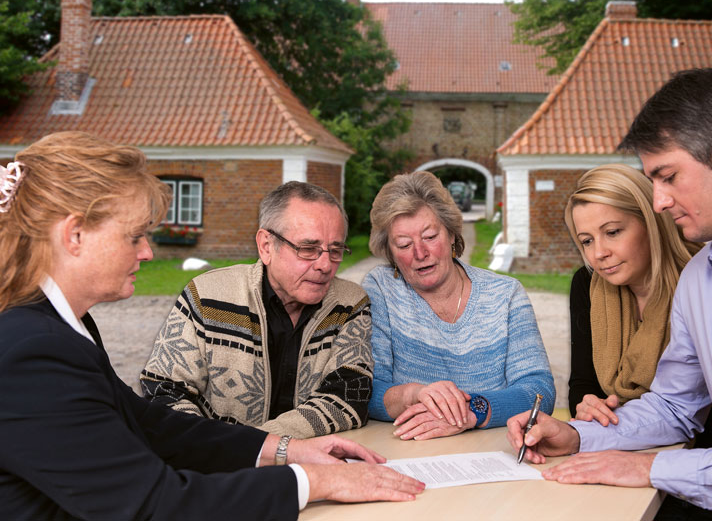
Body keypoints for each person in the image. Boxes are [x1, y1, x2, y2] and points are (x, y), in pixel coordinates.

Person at [0, 131, 424, 520]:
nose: (147, 252)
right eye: (134, 236)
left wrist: (282, 449)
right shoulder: (31, 350)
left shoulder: (53, 327)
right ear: (74, 236)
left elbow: (148, 422)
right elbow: (154, 504)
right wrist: (315, 481)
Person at [507, 68, 712, 518]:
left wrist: (655, 467)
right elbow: (673, 406)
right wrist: (578, 436)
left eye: (668, 176)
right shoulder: (702, 278)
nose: (658, 201)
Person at [565, 164, 712, 520]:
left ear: (651, 222)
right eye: (586, 241)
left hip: (704, 472)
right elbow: (582, 384)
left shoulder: (705, 280)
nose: (599, 253)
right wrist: (588, 407)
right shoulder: (587, 286)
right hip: (617, 453)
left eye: (612, 232)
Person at [141, 181, 373, 439]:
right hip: (212, 468)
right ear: (266, 246)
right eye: (308, 249)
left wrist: (256, 446)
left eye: (336, 250)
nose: (325, 264)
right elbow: (162, 390)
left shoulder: (350, 303)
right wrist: (219, 450)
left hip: (308, 467)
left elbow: (349, 397)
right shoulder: (207, 295)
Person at [364, 171, 555, 441]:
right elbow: (365, 391)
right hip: (411, 452)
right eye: (404, 244)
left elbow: (539, 391)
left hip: (495, 453)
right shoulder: (381, 289)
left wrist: (471, 411)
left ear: (452, 234)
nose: (420, 253)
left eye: (430, 236)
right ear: (390, 252)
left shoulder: (505, 294)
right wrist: (413, 394)